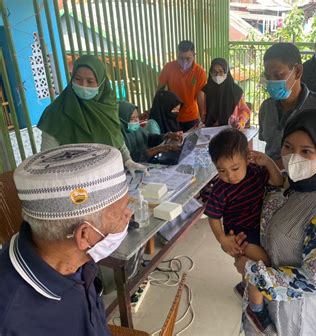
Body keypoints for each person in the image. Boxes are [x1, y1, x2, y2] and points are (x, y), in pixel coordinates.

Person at [234, 109, 316, 335]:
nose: (293, 157)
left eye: (306, 151)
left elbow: (315, 280)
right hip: (266, 297)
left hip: (295, 316)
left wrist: (252, 271)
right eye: (288, 147)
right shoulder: (294, 181)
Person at [0, 143, 131, 335]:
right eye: (121, 212)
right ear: (84, 235)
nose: (128, 216)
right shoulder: (11, 319)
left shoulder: (76, 261)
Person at [205, 128, 284, 332]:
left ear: (247, 159)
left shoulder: (256, 173)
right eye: (222, 171)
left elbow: (278, 181)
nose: (229, 176)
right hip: (239, 234)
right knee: (262, 262)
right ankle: (255, 310)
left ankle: (245, 286)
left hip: (259, 227)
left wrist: (267, 161)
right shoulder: (220, 189)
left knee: (252, 264)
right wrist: (222, 239)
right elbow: (213, 216)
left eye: (235, 168)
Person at [37, 55, 147, 177]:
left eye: (90, 81)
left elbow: (116, 136)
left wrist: (127, 160)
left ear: (101, 83)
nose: (83, 85)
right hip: (75, 179)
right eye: (78, 79)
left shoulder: (108, 106)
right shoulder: (56, 112)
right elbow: (47, 156)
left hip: (109, 174)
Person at [258, 42, 316, 168]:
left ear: (298, 71)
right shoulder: (267, 107)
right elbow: (269, 147)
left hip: (307, 182)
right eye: (268, 77)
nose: (272, 81)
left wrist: (301, 167)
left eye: (278, 75)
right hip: (270, 178)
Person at [157, 40, 207, 131]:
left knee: (191, 143)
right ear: (177, 55)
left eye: (188, 59)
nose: (184, 62)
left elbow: (200, 98)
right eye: (180, 58)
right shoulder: (169, 68)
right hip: (171, 116)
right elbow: (159, 91)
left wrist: (203, 119)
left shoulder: (200, 73)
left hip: (191, 117)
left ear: (194, 55)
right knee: (173, 143)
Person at [201, 58, 251, 129]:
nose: (217, 75)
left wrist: (241, 123)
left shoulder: (236, 91)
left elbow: (246, 111)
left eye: (221, 71)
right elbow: (204, 114)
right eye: (214, 72)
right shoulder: (206, 91)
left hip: (231, 129)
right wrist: (201, 122)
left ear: (226, 72)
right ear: (210, 72)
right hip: (210, 130)